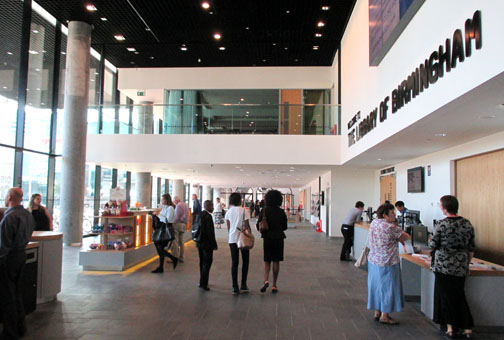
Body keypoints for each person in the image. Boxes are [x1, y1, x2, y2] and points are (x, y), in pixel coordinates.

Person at [430, 195, 475, 338]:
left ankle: (451, 327)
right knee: (459, 295)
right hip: (460, 264)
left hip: (443, 265)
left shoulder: (441, 224)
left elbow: (432, 245)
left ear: (444, 208)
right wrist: (467, 264)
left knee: (446, 297)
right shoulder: (467, 223)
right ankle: (467, 327)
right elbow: (471, 247)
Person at [0, 188, 35, 340]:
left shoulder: (9, 217)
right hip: (21, 255)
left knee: (7, 296)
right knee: (16, 292)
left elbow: (3, 244)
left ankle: (10, 332)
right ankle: (21, 326)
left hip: (9, 258)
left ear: (9, 197)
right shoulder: (27, 215)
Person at [367, 202, 410, 325]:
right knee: (388, 288)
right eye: (392, 213)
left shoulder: (374, 223)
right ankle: (385, 315)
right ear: (385, 215)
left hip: (374, 260)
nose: (394, 216)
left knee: (376, 286)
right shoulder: (390, 227)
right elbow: (405, 237)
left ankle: (377, 311)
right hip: (388, 261)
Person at [257, 190, 287, 294]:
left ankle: (266, 280)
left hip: (267, 238)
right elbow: (285, 227)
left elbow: (258, 225)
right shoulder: (281, 212)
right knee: (276, 261)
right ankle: (274, 285)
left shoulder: (264, 211)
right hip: (278, 238)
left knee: (267, 261)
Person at [225, 192, 251, 295]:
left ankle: (234, 286)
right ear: (240, 200)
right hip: (243, 238)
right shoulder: (244, 211)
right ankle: (243, 284)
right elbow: (247, 226)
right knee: (245, 261)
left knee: (234, 263)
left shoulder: (228, 212)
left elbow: (228, 228)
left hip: (232, 239)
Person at [151, 194, 178, 273]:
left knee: (159, 246)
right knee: (160, 247)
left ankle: (170, 260)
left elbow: (168, 220)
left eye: (163, 199)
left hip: (165, 229)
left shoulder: (170, 208)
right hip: (162, 229)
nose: (161, 201)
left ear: (166, 200)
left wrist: (158, 214)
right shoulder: (164, 208)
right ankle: (162, 265)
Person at [196, 200, 218, 291]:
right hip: (207, 244)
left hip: (199, 242)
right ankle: (204, 283)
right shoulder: (208, 217)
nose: (213, 208)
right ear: (208, 206)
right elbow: (210, 232)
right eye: (212, 206)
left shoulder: (199, 215)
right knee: (207, 262)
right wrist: (214, 243)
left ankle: (201, 281)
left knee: (202, 262)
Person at [170, 196, 188, 263]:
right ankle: (182, 257)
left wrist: (172, 223)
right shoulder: (185, 205)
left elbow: (176, 217)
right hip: (183, 225)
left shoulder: (178, 206)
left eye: (174, 202)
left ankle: (175, 257)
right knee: (181, 241)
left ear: (176, 201)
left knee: (175, 241)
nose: (174, 203)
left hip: (177, 225)